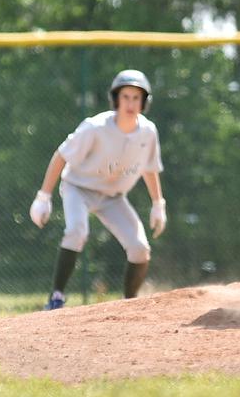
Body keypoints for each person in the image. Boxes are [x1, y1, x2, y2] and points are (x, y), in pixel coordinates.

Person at [28, 69, 167, 310]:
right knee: (77, 231)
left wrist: (158, 204)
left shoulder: (147, 132)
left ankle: (129, 304)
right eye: (125, 96)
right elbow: (61, 156)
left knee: (139, 248)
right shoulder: (95, 127)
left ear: (144, 102)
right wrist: (43, 196)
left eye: (136, 97)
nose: (131, 103)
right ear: (115, 99)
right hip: (78, 188)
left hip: (113, 197)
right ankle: (56, 297)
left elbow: (150, 168)